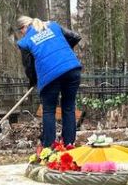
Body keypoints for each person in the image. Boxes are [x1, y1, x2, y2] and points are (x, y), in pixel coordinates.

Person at [15, 15, 83, 148]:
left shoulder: (25, 42)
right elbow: (75, 37)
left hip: (50, 75)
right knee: (68, 107)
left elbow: (29, 67)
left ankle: (49, 147)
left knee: (48, 110)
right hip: (72, 69)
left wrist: (33, 81)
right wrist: (61, 51)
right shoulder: (53, 26)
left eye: (20, 31)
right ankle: (69, 144)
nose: (21, 34)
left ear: (24, 27)